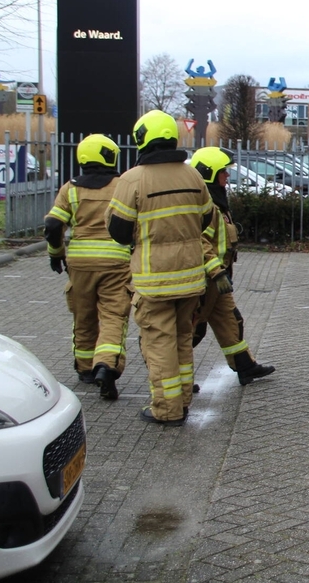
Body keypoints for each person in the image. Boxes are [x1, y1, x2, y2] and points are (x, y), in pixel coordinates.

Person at [106, 110, 216, 427]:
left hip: (154, 282)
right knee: (182, 339)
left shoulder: (132, 180)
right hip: (191, 277)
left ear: (142, 139)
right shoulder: (192, 175)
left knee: (159, 343)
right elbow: (207, 218)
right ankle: (181, 401)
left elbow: (118, 231)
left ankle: (167, 410)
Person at [44, 134, 131, 400]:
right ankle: (105, 365)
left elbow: (53, 224)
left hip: (80, 265)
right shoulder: (121, 185)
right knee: (113, 316)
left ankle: (84, 369)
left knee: (83, 317)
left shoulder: (70, 188)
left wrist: (55, 254)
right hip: (116, 263)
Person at [189, 147, 276, 385]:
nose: (227, 177)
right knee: (192, 330)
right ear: (209, 173)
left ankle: (245, 366)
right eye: (223, 172)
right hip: (207, 280)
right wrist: (216, 272)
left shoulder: (217, 203)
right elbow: (199, 242)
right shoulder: (206, 208)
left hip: (220, 280)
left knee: (231, 320)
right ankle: (175, 377)